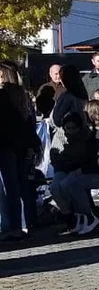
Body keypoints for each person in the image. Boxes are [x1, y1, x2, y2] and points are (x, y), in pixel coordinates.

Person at [50, 101, 99, 236]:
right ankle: (80, 218)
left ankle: (89, 216)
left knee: (74, 183)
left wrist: (83, 170)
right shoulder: (96, 133)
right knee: (67, 182)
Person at [0, 82, 41, 240]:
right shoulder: (23, 111)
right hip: (20, 150)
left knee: (11, 189)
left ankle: (14, 226)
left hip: (8, 149)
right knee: (20, 188)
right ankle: (23, 224)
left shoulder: (8, 109)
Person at [48, 112, 97, 235]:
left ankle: (84, 215)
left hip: (78, 168)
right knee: (54, 187)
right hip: (62, 168)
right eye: (68, 128)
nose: (71, 131)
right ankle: (68, 215)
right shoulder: (59, 135)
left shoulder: (86, 136)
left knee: (68, 184)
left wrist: (71, 160)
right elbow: (54, 156)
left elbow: (85, 157)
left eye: (74, 128)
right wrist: (65, 161)